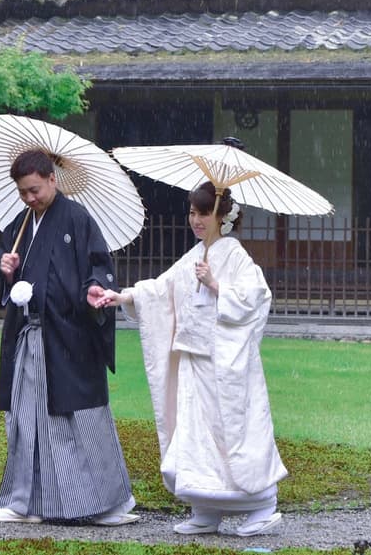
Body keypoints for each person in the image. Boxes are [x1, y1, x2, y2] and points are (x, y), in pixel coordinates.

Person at [92, 180, 287, 537]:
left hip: (225, 361)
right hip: (194, 360)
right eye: (193, 213)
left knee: (234, 431)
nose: (196, 220)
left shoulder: (235, 255)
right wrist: (121, 296)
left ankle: (261, 503)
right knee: (195, 433)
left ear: (222, 217)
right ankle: (206, 506)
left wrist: (216, 285)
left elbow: (256, 296)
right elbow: (162, 288)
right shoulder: (194, 256)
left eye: (203, 213)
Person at [0, 148, 139, 526]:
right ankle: (25, 502)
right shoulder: (20, 225)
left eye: (35, 189)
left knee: (77, 419)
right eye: (22, 192)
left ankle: (103, 504)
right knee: (26, 419)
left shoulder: (78, 219)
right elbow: (3, 277)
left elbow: (100, 268)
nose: (29, 198)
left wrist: (93, 291)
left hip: (70, 338)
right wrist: (5, 270)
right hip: (28, 337)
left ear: (53, 179)